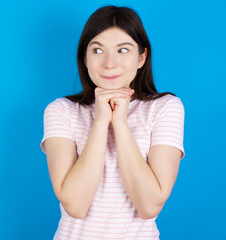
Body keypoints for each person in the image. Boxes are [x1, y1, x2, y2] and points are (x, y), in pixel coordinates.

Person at [40, 5, 185, 240]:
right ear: (84, 59)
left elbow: (149, 206)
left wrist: (120, 123)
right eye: (97, 50)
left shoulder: (165, 108)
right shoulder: (61, 111)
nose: (109, 63)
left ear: (141, 57)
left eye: (123, 50)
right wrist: (100, 122)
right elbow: (75, 205)